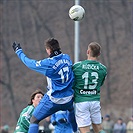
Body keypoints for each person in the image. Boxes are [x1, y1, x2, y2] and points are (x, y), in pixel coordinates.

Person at [12, 38, 78, 133]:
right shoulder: (67, 58)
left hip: (53, 100)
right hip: (68, 99)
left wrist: (19, 51)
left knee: (34, 119)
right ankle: (75, 131)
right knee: (71, 110)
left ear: (48, 50)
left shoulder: (49, 63)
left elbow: (30, 63)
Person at [72, 42, 107, 133]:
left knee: (85, 131)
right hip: (95, 100)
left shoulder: (77, 66)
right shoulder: (103, 68)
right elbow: (101, 83)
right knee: (99, 129)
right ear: (99, 54)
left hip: (81, 101)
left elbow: (72, 82)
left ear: (87, 52)